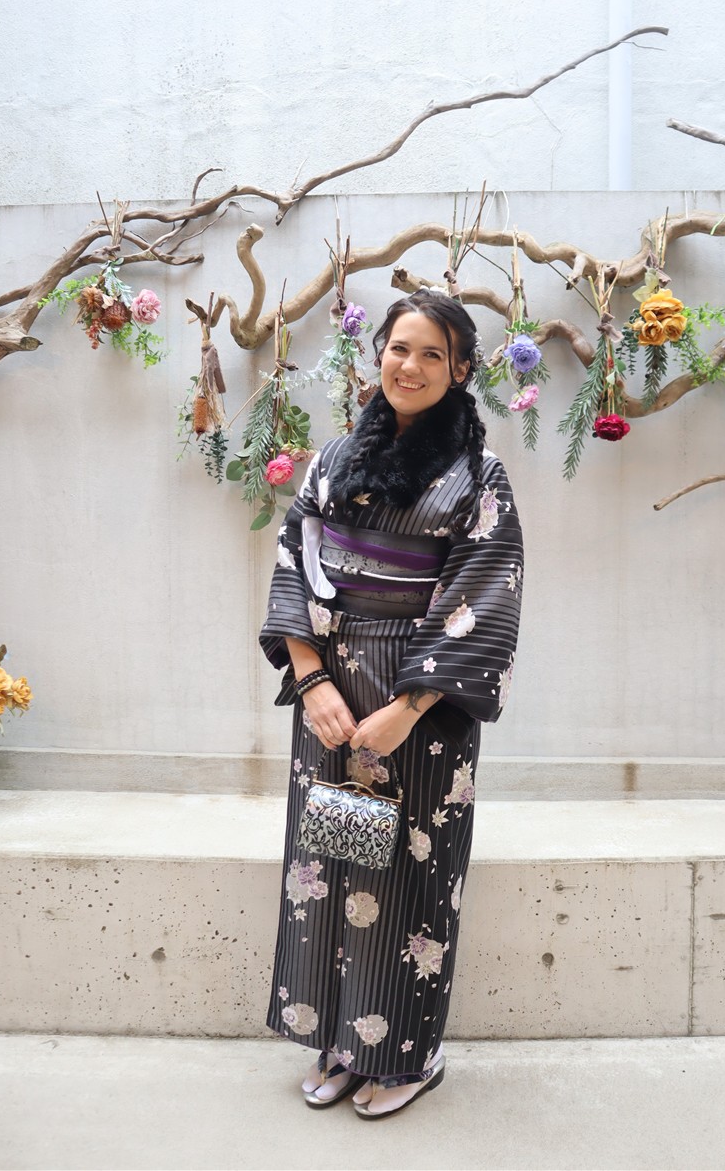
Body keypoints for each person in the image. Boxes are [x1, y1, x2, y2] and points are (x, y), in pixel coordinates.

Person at [259, 289, 524, 1118]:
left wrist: (406, 709)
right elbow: (294, 561)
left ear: (462, 370)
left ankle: (408, 1053)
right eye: (398, 348)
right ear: (378, 355)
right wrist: (311, 681)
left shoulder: (478, 477)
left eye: (432, 354)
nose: (410, 366)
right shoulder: (335, 458)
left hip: (420, 704)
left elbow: (483, 594)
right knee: (337, 862)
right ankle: (345, 1040)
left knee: (409, 872)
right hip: (333, 697)